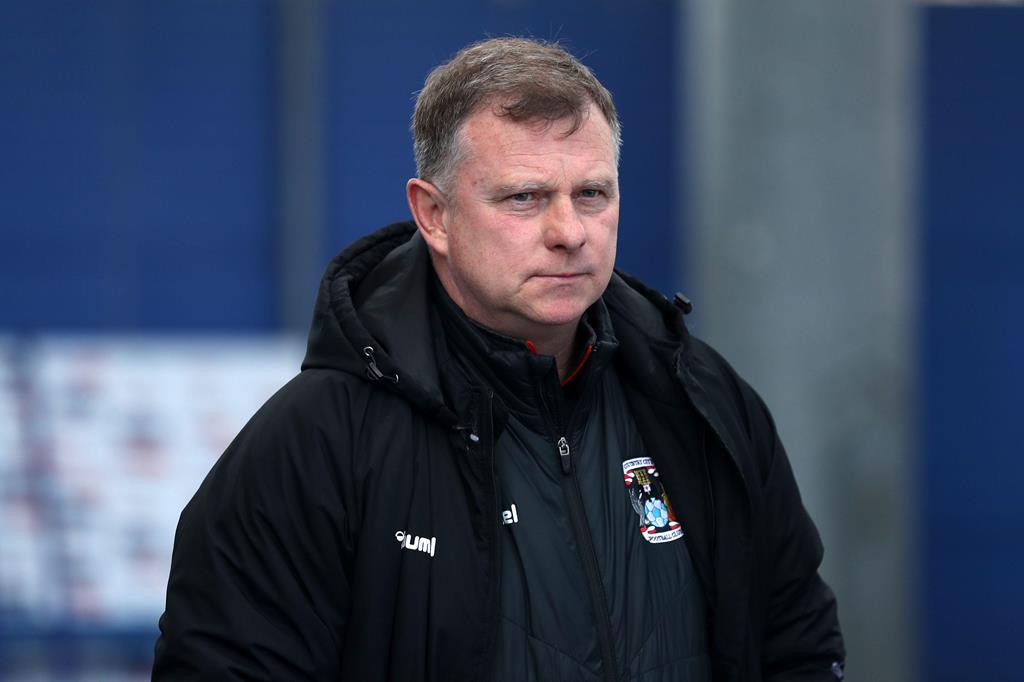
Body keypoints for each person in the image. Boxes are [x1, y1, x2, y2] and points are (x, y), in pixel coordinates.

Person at [154, 37, 844, 681]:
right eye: (524, 198)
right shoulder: (316, 443)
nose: (568, 232)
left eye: (592, 194)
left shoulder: (700, 400)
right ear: (434, 215)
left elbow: (797, 644)